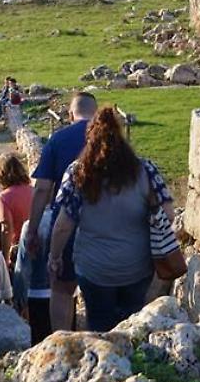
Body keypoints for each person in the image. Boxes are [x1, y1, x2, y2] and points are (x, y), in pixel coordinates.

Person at [48, 107, 174, 332]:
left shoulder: (78, 173)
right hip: (137, 266)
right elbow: (169, 214)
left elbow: (62, 226)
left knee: (99, 325)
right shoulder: (145, 170)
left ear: (90, 139)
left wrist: (55, 256)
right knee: (131, 324)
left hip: (94, 269)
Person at [25, 91, 98, 332]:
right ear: (96, 113)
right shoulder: (110, 140)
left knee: (61, 289)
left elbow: (42, 189)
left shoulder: (58, 140)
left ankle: (63, 340)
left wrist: (32, 230)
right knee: (100, 289)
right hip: (106, 224)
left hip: (66, 226)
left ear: (70, 114)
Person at [13, 211, 53, 345]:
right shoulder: (69, 219)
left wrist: (20, 299)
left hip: (38, 293)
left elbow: (23, 266)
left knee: (40, 344)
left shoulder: (31, 225)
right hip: (66, 294)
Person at [0, 154, 34, 250]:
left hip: (19, 245)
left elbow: (7, 229)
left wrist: (5, 255)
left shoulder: (4, 198)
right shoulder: (34, 191)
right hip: (37, 242)